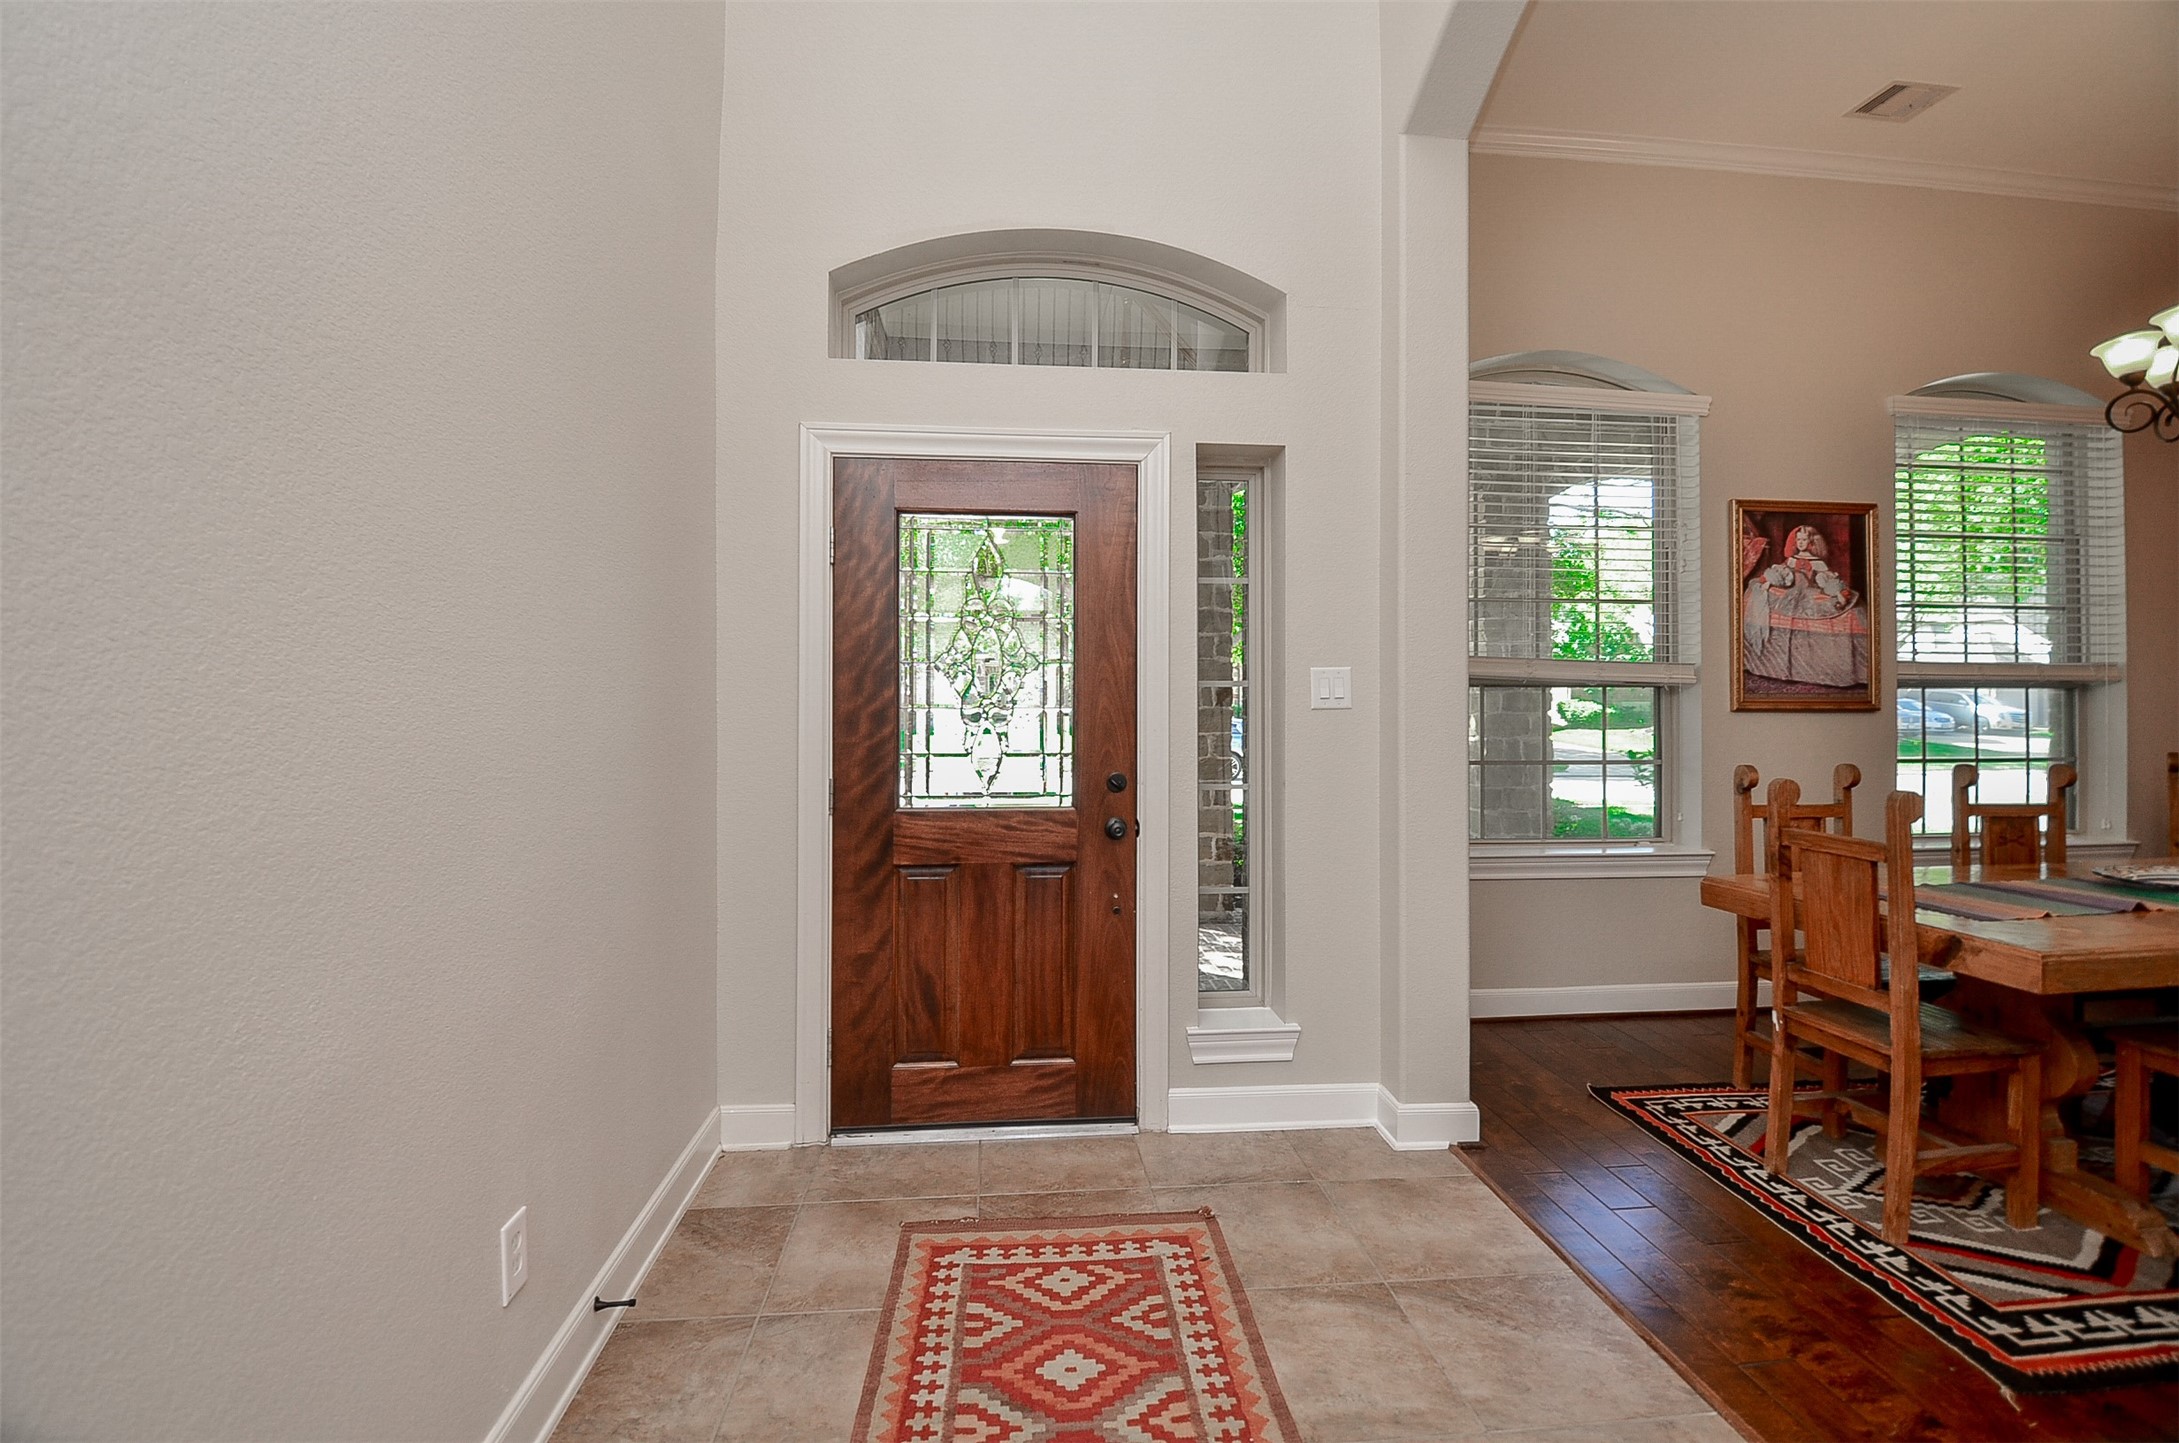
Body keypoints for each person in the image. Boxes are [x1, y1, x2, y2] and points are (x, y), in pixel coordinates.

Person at [1742, 523, 1869, 689]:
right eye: (1798, 540)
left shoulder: (1816, 562)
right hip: (1791, 591)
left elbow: (1825, 579)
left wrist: (1834, 589)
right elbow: (1782, 573)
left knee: (1848, 607)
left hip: (1808, 592)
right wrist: (1770, 581)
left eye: (1804, 539)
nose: (1801, 543)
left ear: (1811, 542)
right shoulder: (1792, 560)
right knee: (1758, 590)